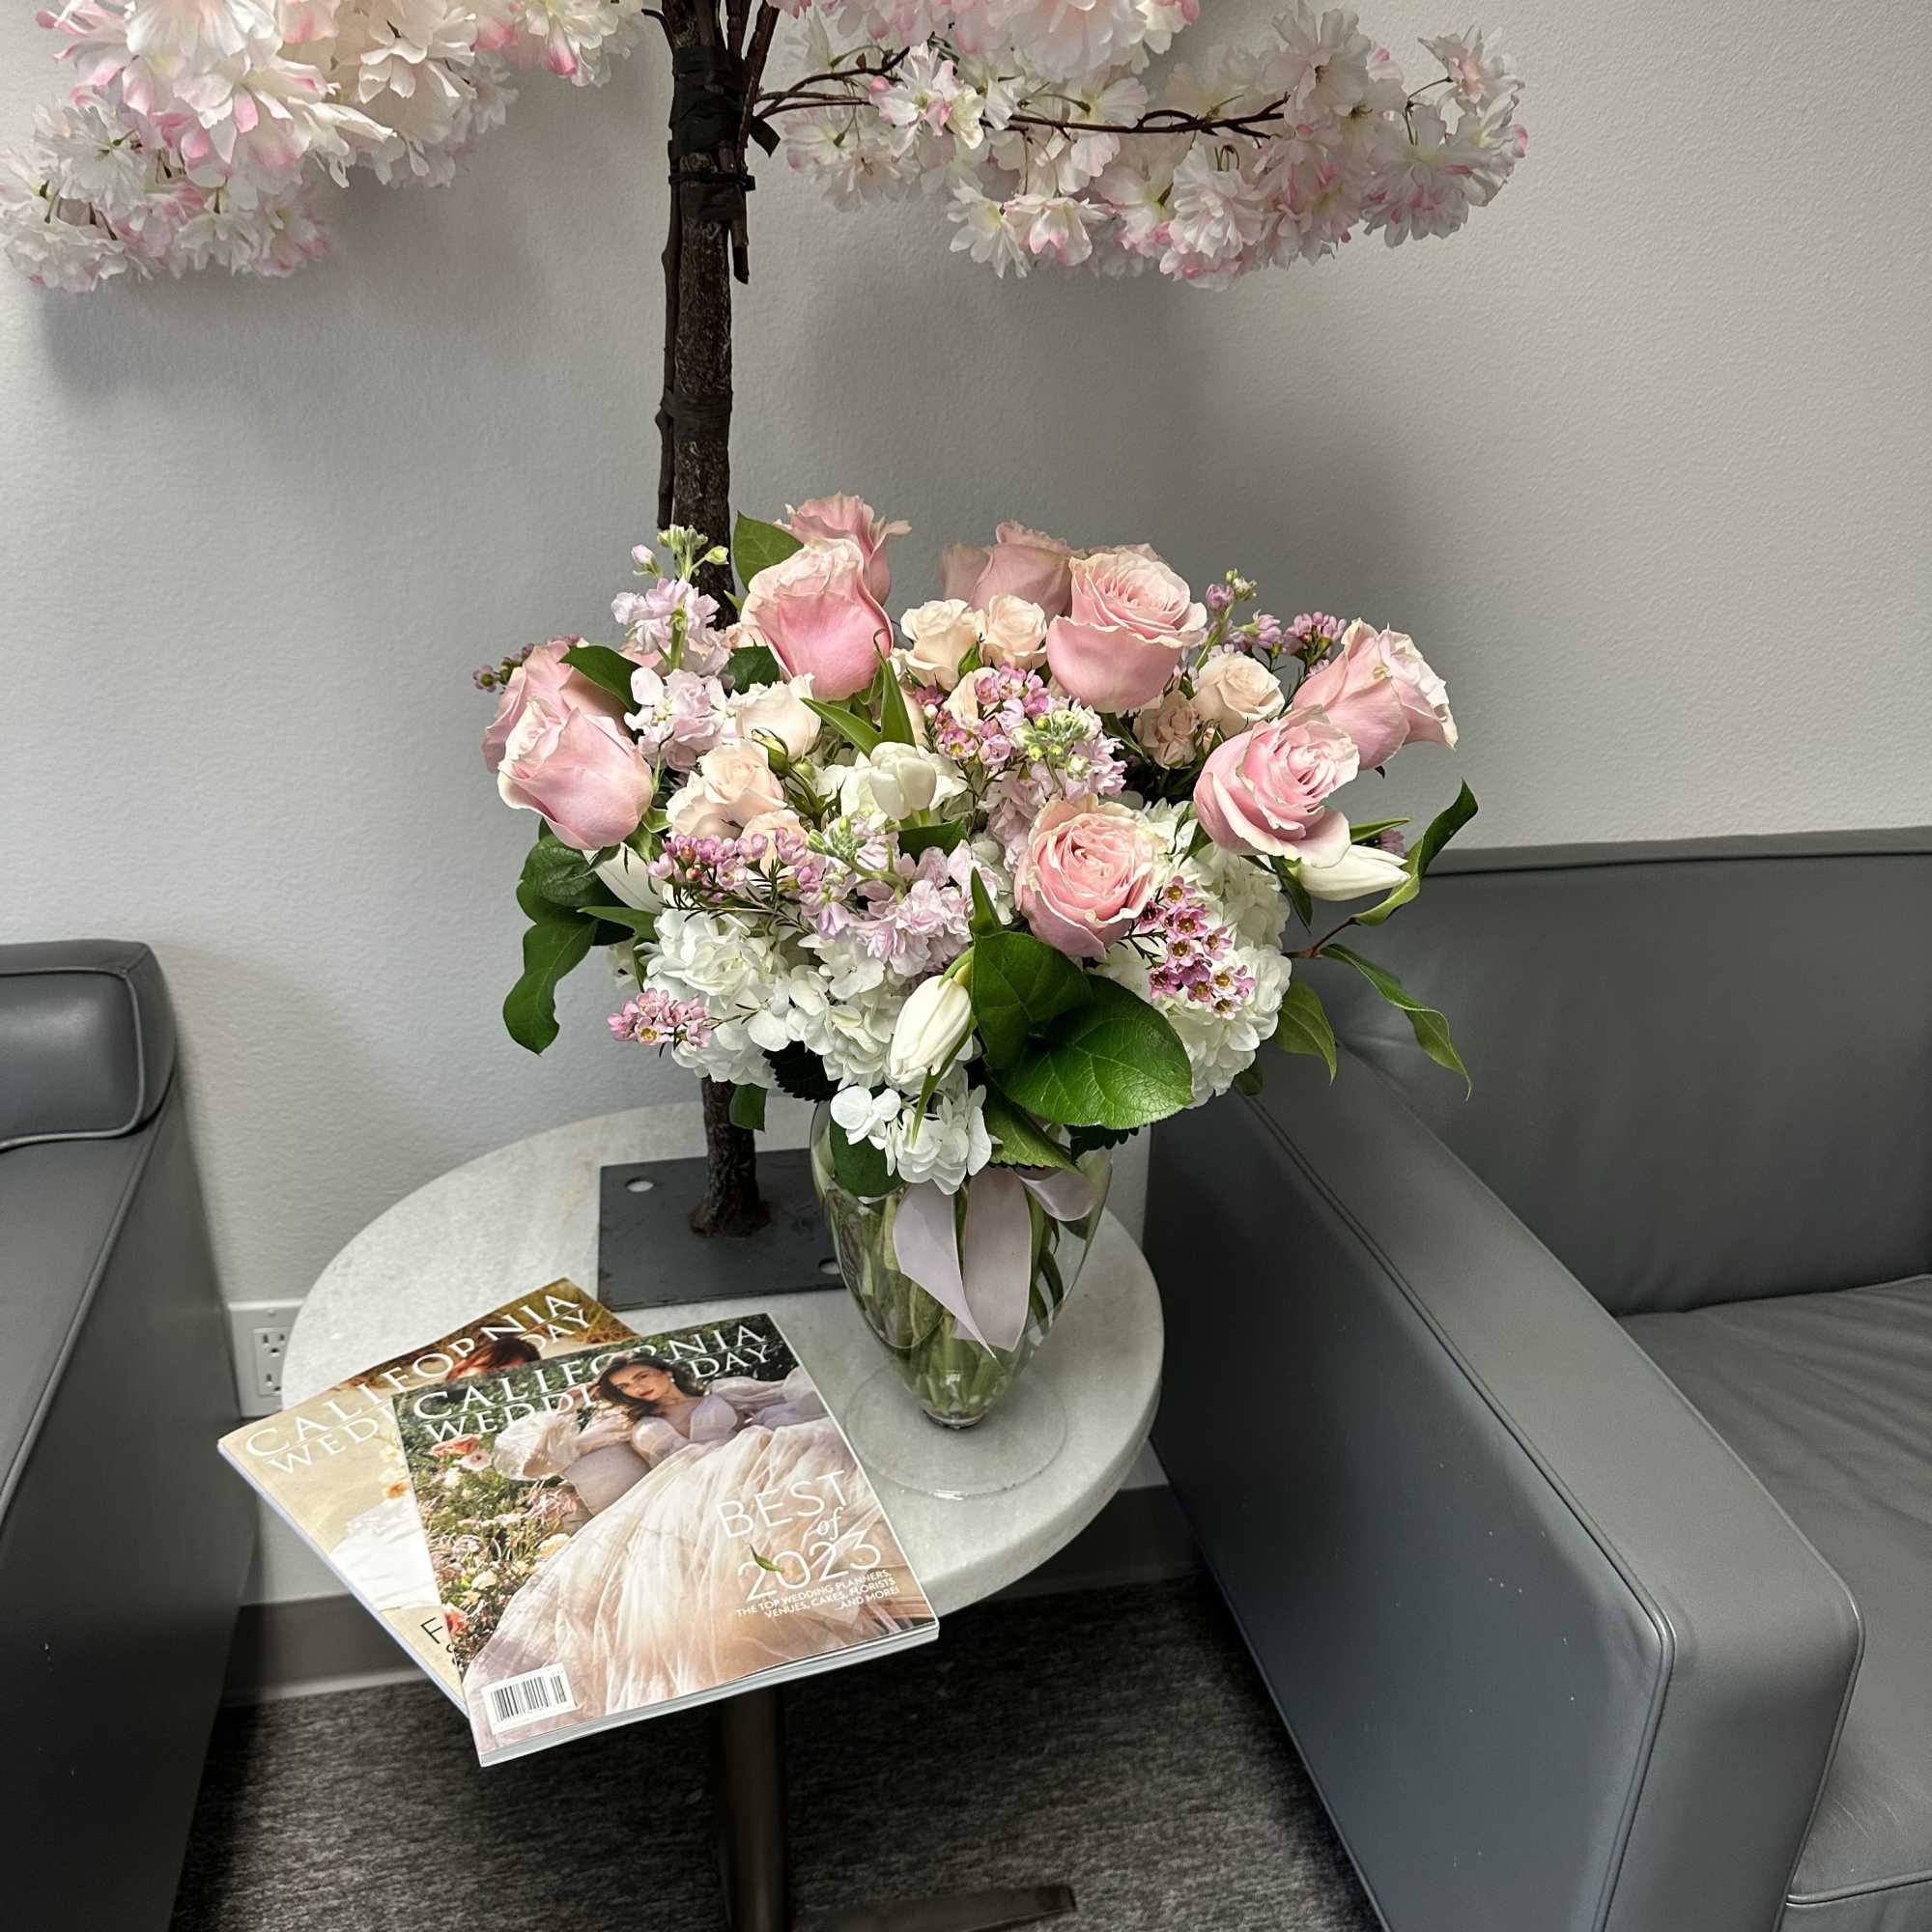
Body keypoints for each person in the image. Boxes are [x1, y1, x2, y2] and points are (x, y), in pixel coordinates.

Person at [465, 1351, 925, 1742]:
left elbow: (797, 1388)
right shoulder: (624, 1425)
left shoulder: (724, 1393)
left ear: (664, 1371)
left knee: (804, 1463)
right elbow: (535, 1461)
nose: (637, 1388)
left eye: (641, 1375)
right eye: (626, 1385)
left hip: (745, 1467)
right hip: (679, 1494)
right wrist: (572, 1403)